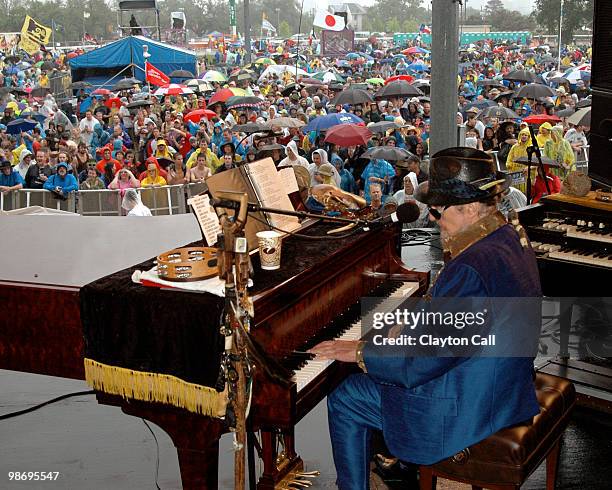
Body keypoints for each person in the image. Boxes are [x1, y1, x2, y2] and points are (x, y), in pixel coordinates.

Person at [310, 148, 542, 490]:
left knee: (347, 395)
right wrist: (412, 322)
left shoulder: (470, 267)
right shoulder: (508, 236)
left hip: (468, 405)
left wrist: (360, 351)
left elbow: (418, 364)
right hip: (504, 383)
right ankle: (401, 465)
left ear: (470, 208)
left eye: (437, 210)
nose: (431, 219)